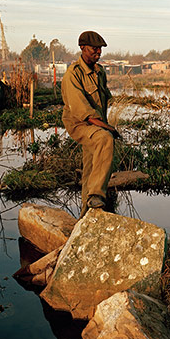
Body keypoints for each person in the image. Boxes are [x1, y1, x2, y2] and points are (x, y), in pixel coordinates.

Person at [61, 31, 120, 217]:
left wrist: (103, 123)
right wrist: (107, 128)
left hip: (96, 124)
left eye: (100, 49)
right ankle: (96, 195)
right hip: (80, 125)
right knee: (104, 139)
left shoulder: (99, 72)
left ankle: (86, 216)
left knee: (90, 170)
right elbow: (82, 111)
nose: (98, 53)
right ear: (82, 48)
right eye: (94, 49)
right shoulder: (73, 74)